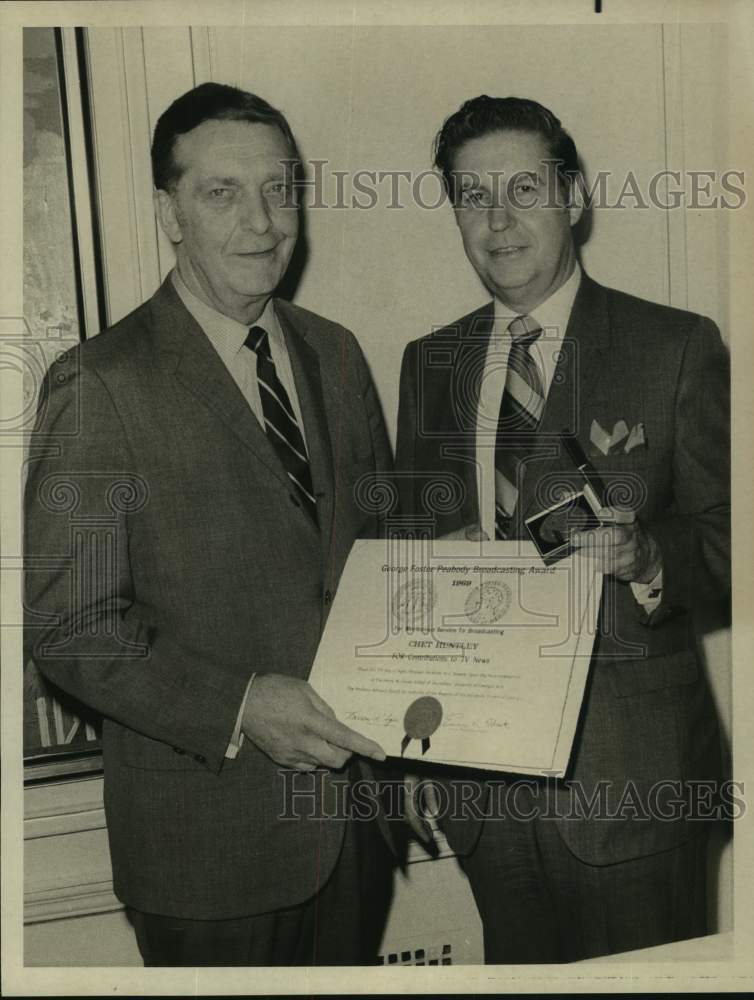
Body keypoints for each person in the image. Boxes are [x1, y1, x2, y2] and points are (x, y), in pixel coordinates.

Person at [24, 82, 395, 967]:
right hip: (208, 855)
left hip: (354, 831)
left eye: (279, 189)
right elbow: (67, 627)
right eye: (222, 193)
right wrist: (240, 703)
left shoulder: (336, 353)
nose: (262, 223)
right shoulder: (99, 384)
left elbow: (377, 566)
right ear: (170, 212)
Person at [395, 95, 730, 962]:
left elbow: (732, 544)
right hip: (484, 792)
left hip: (631, 790)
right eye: (473, 196)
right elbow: (412, 575)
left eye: (523, 189)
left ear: (574, 198)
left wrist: (650, 554)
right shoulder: (430, 365)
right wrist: (418, 743)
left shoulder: (676, 346)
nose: (498, 220)